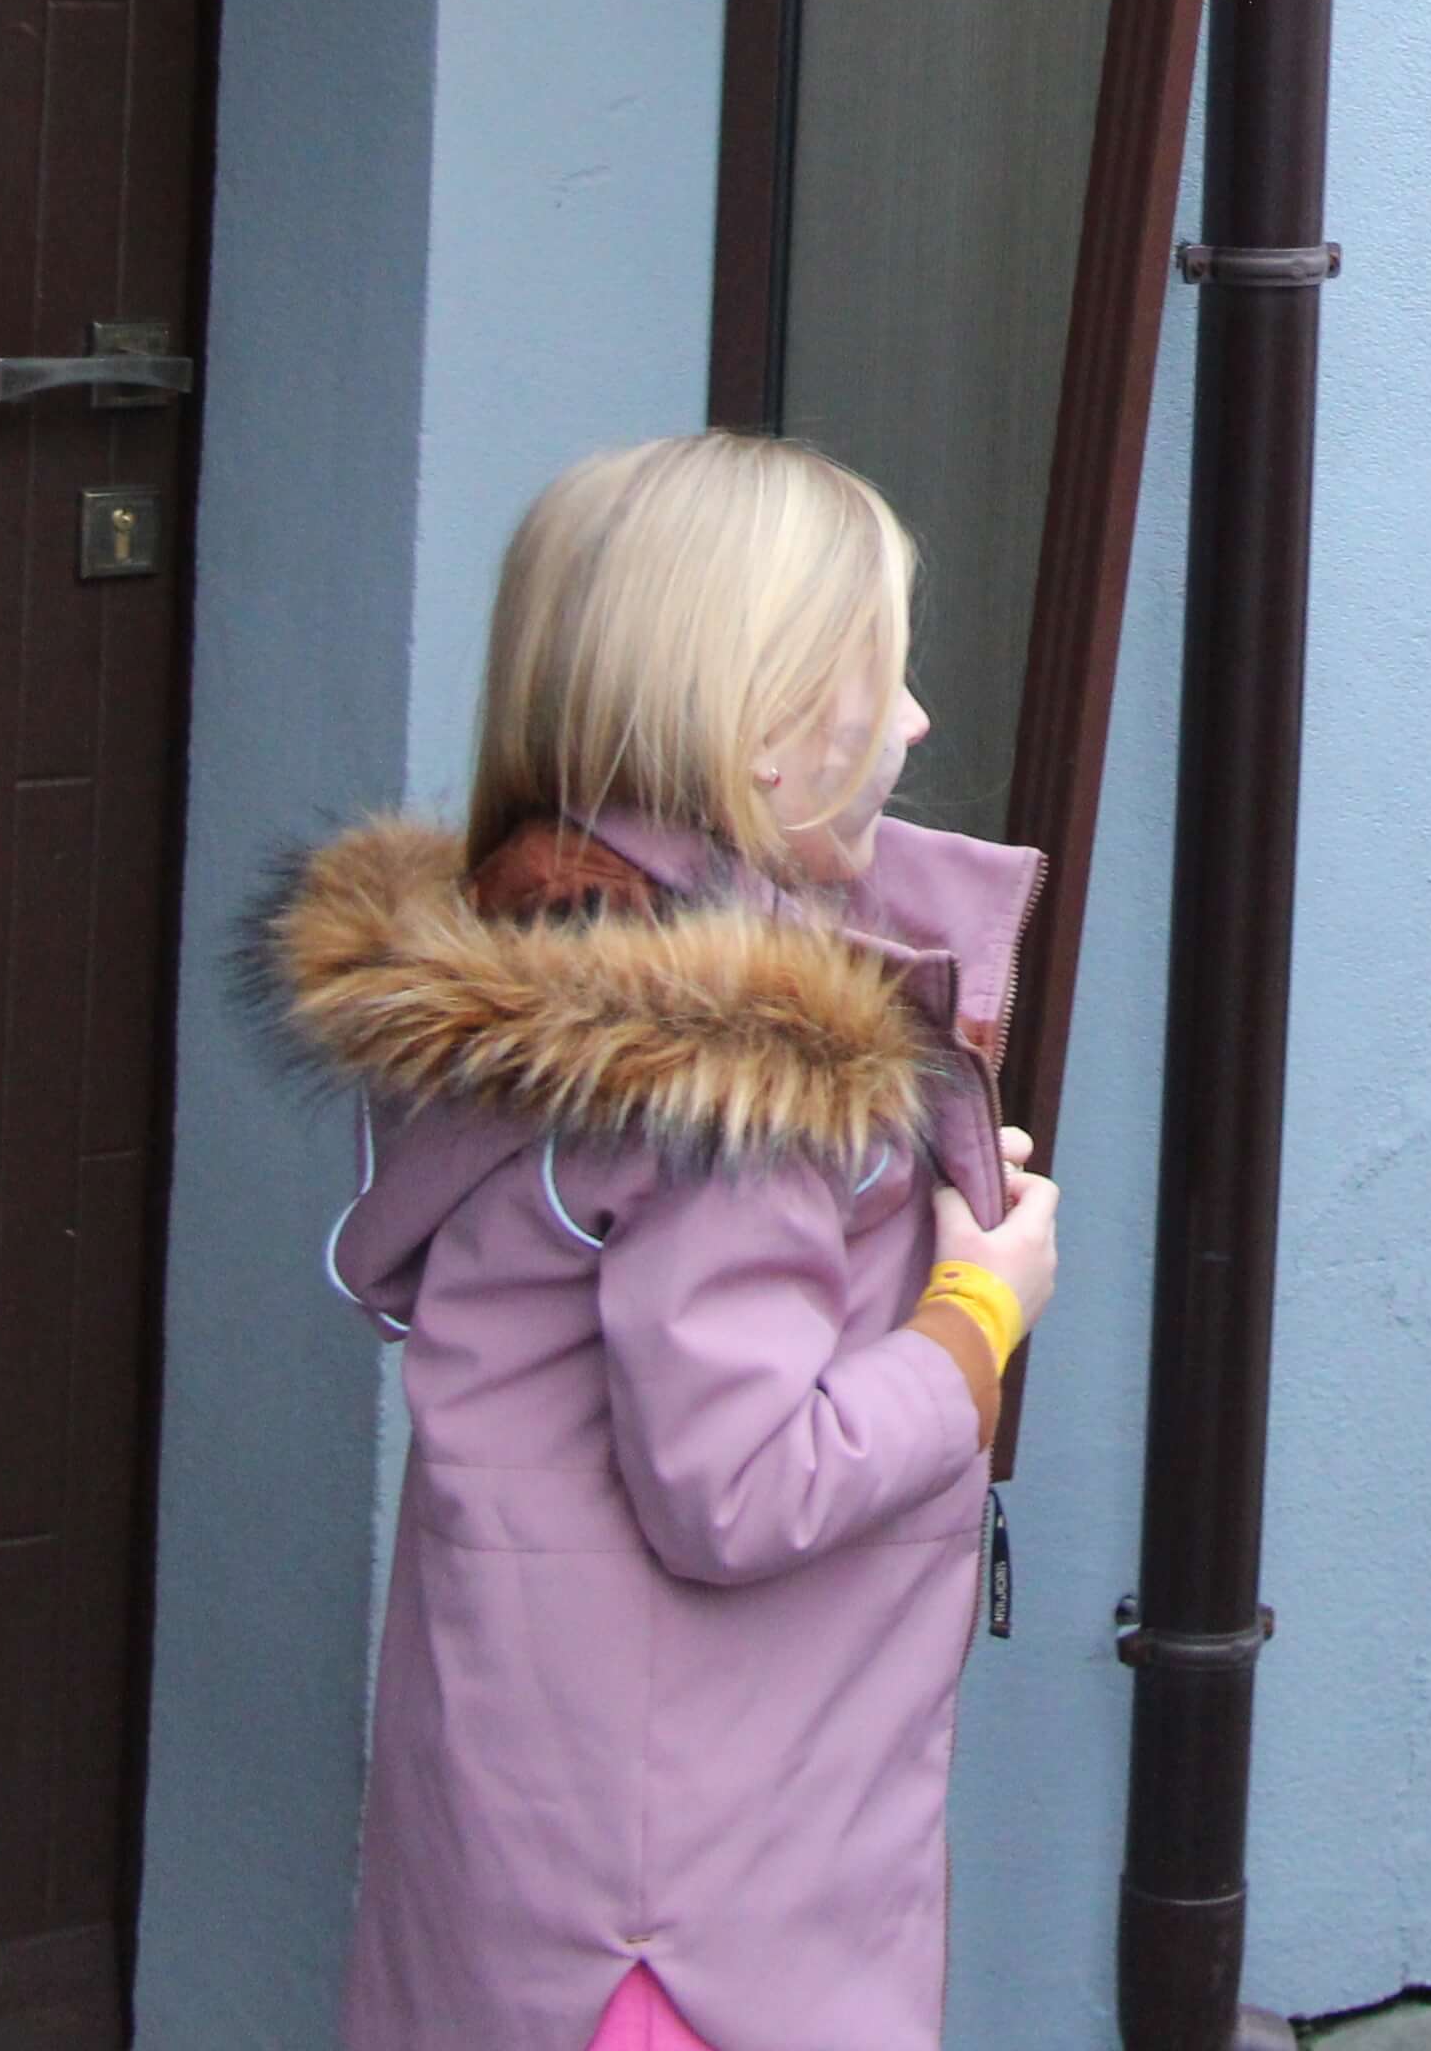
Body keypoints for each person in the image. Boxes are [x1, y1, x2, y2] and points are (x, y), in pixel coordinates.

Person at [272, 431, 1062, 2051]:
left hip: (544, 1874)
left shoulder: (563, 979)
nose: (915, 722)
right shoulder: (745, 1072)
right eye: (880, 678)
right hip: (693, 1928)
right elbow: (743, 1481)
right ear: (763, 735)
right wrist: (973, 1315)